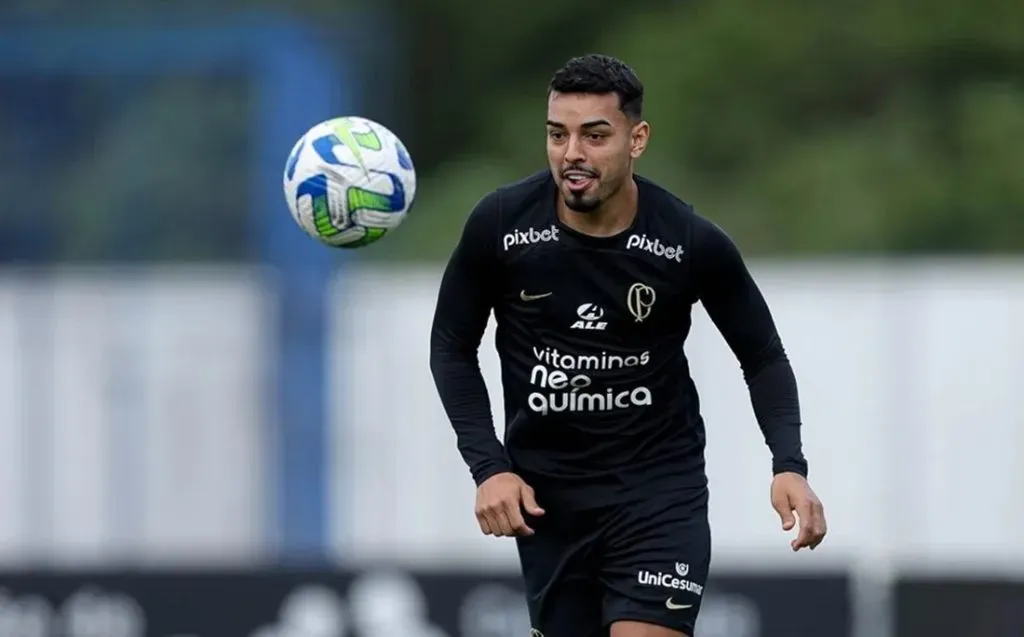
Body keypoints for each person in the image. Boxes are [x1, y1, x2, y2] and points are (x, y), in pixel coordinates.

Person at [428, 53, 827, 637]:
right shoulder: (501, 225)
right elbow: (451, 346)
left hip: (658, 496)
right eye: (558, 135)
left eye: (595, 136)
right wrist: (488, 467)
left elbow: (762, 354)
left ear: (636, 139)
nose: (572, 155)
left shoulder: (689, 241)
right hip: (549, 505)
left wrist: (788, 464)